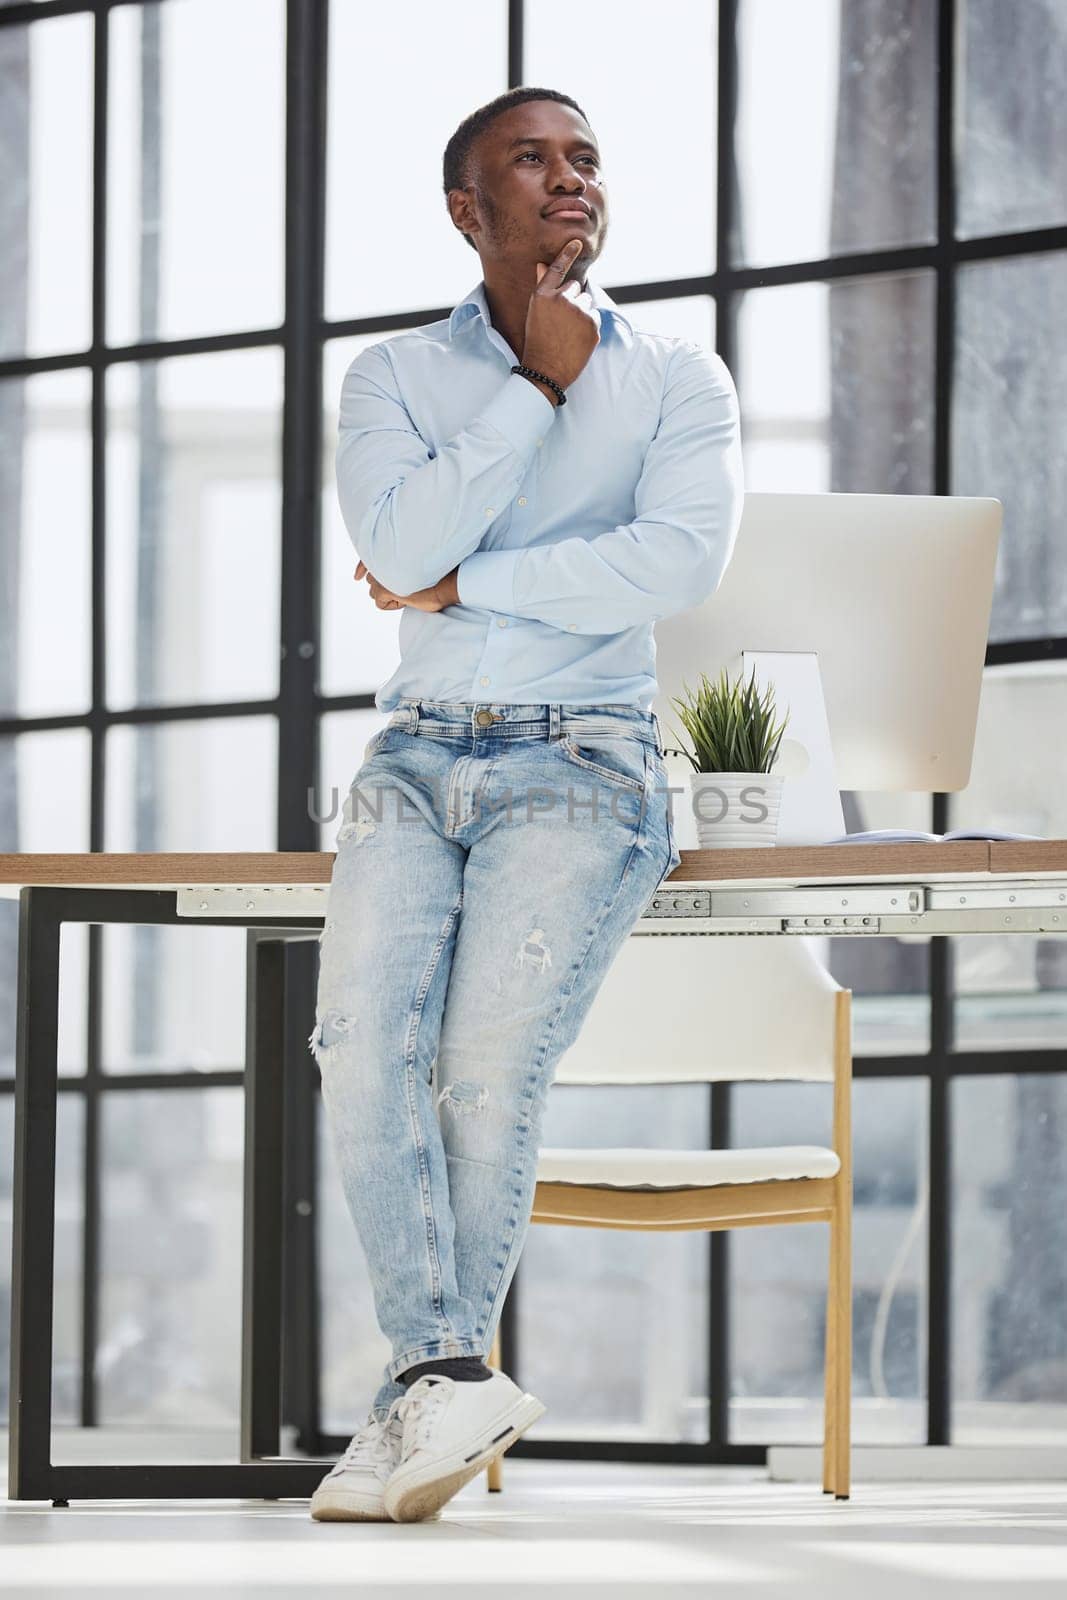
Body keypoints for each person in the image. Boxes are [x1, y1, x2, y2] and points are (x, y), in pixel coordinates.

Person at [308, 86, 744, 1525]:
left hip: (588, 758)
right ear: (467, 211)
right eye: (531, 160)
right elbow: (395, 540)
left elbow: (671, 567)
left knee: (485, 1063)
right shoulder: (391, 381)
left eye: (587, 160)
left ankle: (417, 1397)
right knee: (363, 1040)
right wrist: (532, 394)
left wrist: (469, 584)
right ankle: (445, 1372)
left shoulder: (682, 377)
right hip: (413, 756)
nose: (569, 179)